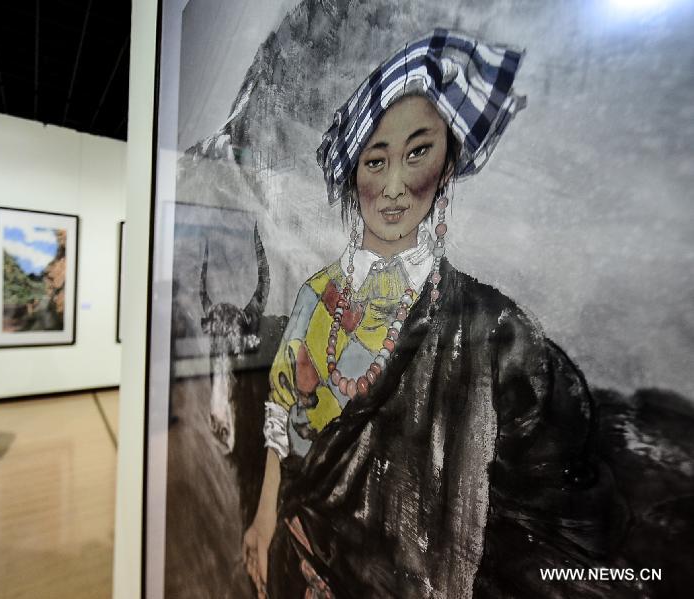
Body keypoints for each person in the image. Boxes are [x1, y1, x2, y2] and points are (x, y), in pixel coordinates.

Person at [242, 29, 628, 598]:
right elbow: (283, 415)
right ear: (355, 177)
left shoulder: (501, 336)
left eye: (417, 152)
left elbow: (561, 534)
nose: (394, 186)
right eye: (376, 161)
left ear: (446, 166)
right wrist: (264, 515)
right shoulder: (314, 297)